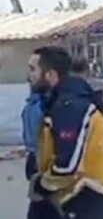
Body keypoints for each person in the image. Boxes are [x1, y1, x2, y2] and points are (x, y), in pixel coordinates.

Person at [28, 46, 103, 218]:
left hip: (90, 196)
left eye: (33, 69)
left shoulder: (70, 107)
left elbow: (67, 166)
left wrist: (41, 184)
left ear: (50, 75)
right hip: (74, 195)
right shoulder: (58, 101)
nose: (29, 77)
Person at [21, 59, 60, 219]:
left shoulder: (50, 104)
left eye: (32, 69)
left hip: (47, 162)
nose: (28, 77)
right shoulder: (34, 102)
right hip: (35, 159)